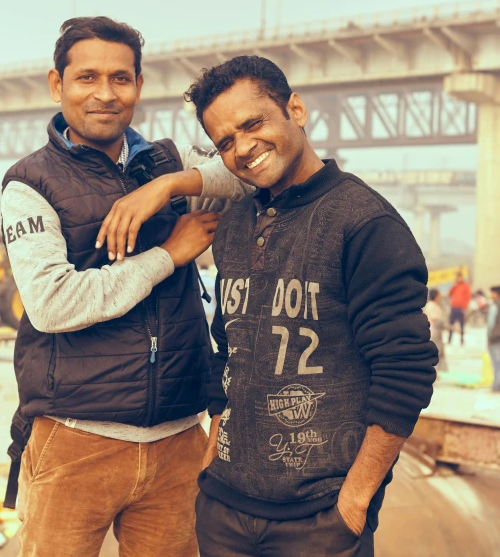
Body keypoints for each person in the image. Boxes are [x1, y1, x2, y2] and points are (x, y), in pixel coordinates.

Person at [106, 55, 438, 556]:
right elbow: (228, 349)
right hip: (224, 509)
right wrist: (212, 462)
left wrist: (355, 501)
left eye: (253, 123)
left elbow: (405, 371)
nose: (243, 149)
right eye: (225, 142)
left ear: (296, 111)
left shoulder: (365, 224)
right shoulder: (236, 222)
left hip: (320, 520)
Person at [1, 16, 252, 557]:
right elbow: (51, 304)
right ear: (57, 85)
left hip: (178, 440)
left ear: (138, 86)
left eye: (120, 78)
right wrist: (169, 254)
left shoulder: (169, 161)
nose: (105, 94)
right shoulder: (29, 184)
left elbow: (255, 171)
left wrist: (170, 185)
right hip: (74, 439)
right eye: (87, 77)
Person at [424, 289, 448, 372]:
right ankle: (434, 370)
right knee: (435, 352)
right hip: (433, 331)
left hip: (437, 332)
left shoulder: (435, 305)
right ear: (436, 296)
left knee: (439, 351)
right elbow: (434, 319)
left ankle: (439, 370)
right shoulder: (431, 306)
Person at [448, 271, 472, 345]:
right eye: (457, 277)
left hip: (461, 308)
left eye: (459, 277)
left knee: (462, 325)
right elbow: (449, 293)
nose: (458, 278)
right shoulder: (455, 285)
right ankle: (449, 339)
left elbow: (468, 297)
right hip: (453, 307)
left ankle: (461, 340)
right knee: (451, 324)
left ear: (462, 277)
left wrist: (464, 307)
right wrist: (454, 285)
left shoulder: (466, 286)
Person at [487, 286, 500, 393]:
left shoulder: (494, 306)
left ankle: (496, 387)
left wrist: (488, 337)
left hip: (495, 338)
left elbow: (491, 324)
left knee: (497, 364)